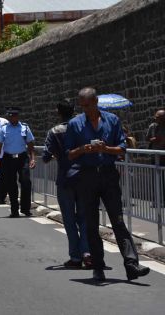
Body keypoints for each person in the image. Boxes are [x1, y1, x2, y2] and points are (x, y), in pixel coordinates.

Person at [65, 87, 150, 282]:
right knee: (92, 224)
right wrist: (83, 149)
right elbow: (68, 154)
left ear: (96, 101)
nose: (85, 109)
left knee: (118, 222)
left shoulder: (112, 120)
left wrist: (106, 148)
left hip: (108, 176)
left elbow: (122, 148)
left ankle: (131, 266)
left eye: (88, 105)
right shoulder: (74, 124)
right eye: (82, 106)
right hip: (86, 177)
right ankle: (98, 266)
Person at [43, 99, 91, 269]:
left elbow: (46, 157)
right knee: (85, 218)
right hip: (85, 177)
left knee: (69, 220)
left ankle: (76, 257)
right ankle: (87, 252)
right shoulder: (83, 127)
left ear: (58, 112)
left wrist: (57, 154)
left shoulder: (54, 131)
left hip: (65, 179)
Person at [0, 107, 35, 217]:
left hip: (22, 158)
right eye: (10, 116)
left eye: (14, 115)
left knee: (26, 182)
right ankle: (14, 210)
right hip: (8, 158)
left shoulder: (25, 128)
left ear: (17, 116)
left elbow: (30, 144)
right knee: (11, 185)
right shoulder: (3, 129)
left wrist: (32, 159)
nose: (12, 117)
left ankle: (25, 208)